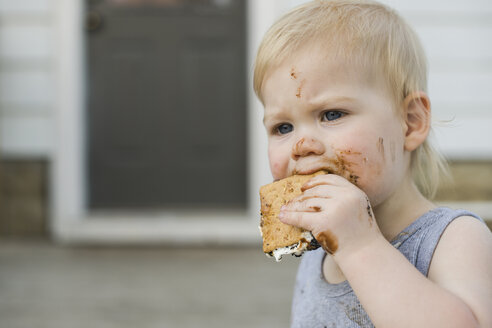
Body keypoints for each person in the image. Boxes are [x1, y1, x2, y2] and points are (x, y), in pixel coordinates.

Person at [253, 1, 492, 327]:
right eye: (283, 127)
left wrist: (360, 246)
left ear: (409, 122)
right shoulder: (317, 253)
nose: (301, 145)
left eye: (332, 114)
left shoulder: (455, 239)